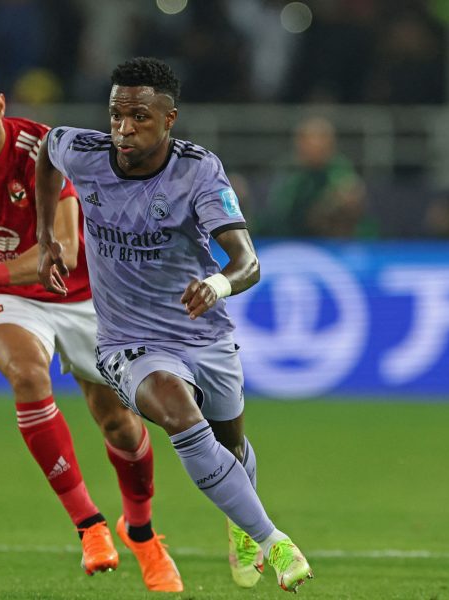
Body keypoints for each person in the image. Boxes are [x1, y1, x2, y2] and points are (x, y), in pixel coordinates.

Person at [36, 57, 314, 593]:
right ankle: (273, 539)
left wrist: (216, 285)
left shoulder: (198, 172)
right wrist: (48, 232)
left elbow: (247, 262)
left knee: (231, 446)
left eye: (139, 117)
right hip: (128, 340)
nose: (123, 128)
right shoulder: (85, 152)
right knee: (179, 415)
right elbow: (48, 153)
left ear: (169, 120)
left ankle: (240, 525)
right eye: (116, 114)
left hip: (203, 333)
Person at [0, 60, 183, 593]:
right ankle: (89, 524)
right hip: (7, 297)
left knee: (120, 425)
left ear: (0, 107)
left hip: (81, 294)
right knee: (29, 375)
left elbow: (65, 253)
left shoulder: (44, 152)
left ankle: (141, 533)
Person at [263, 115, 373, 238]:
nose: (314, 149)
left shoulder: (339, 167)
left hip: (330, 234)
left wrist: (328, 204)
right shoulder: (290, 170)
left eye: (320, 143)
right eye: (308, 143)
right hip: (291, 234)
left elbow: (349, 191)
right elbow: (280, 209)